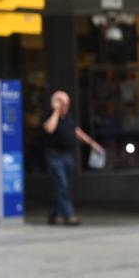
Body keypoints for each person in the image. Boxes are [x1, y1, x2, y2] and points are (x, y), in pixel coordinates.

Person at [42, 90, 103, 226]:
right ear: (55, 103)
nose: (65, 105)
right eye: (62, 102)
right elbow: (49, 129)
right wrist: (56, 111)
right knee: (62, 185)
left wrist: (92, 143)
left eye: (67, 103)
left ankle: (54, 214)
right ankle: (69, 215)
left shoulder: (68, 117)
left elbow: (77, 131)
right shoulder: (50, 115)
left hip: (67, 156)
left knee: (63, 186)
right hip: (55, 156)